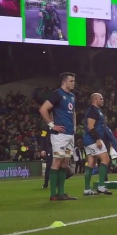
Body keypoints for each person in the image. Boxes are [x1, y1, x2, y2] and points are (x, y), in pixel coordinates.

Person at [39, 72, 78, 201]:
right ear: (64, 82)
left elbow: (73, 113)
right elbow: (43, 109)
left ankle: (61, 193)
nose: (73, 83)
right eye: (71, 81)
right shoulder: (57, 94)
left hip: (69, 135)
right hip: (59, 135)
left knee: (65, 163)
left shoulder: (72, 96)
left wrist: (74, 127)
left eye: (74, 81)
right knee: (57, 162)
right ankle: (53, 194)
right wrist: (52, 125)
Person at [82, 93, 114, 196]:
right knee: (105, 159)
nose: (103, 100)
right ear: (95, 100)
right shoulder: (93, 111)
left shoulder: (97, 111)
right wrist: (97, 139)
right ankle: (101, 186)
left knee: (91, 162)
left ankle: (87, 189)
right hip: (92, 140)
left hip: (88, 140)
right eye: (101, 98)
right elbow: (90, 126)